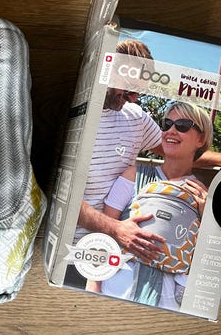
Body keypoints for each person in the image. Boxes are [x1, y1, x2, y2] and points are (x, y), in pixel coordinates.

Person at [64, 39, 221, 289]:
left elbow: (175, 149)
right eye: (131, 88)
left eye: (140, 91)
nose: (135, 97)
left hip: (116, 254)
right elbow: (65, 196)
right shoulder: (76, 114)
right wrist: (116, 229)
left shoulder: (135, 117)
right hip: (74, 250)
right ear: (109, 67)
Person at [87, 101, 212, 311]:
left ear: (201, 139)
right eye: (167, 124)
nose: (171, 131)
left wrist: (208, 219)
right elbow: (103, 233)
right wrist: (92, 285)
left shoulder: (202, 196)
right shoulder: (134, 177)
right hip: (115, 290)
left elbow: (205, 257)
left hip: (167, 304)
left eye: (182, 125)